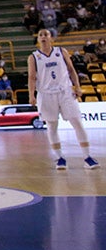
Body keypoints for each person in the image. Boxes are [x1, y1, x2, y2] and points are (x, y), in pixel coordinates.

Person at [28, 28, 100, 170]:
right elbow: (31, 77)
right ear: (38, 40)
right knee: (52, 126)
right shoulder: (34, 57)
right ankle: (59, 158)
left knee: (77, 123)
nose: (43, 37)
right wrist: (31, 95)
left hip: (65, 91)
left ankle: (87, 157)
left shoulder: (61, 51)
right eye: (40, 35)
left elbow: (72, 70)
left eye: (46, 35)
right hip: (46, 94)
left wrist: (77, 86)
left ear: (51, 38)